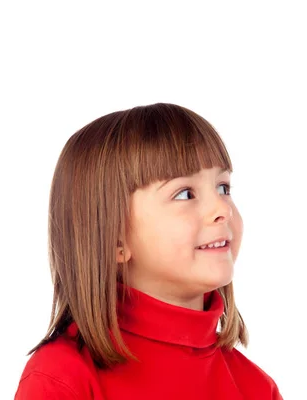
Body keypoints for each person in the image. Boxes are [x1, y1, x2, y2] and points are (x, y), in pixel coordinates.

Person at [14, 103, 283, 399]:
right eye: (185, 194)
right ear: (116, 239)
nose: (222, 209)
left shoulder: (257, 388)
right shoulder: (62, 377)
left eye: (223, 188)